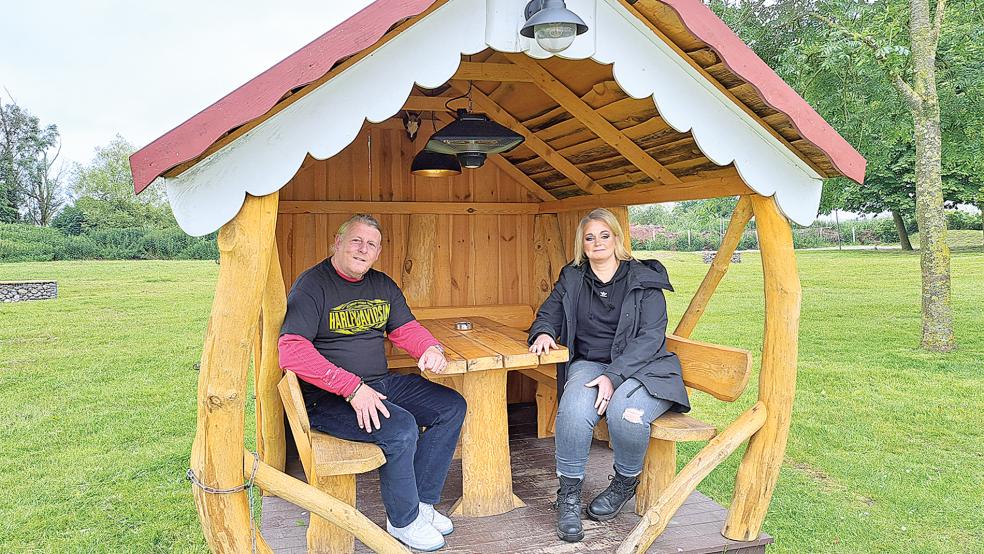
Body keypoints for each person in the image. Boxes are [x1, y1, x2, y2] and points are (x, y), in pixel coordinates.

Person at [278, 214, 466, 552]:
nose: (363, 249)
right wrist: (351, 388)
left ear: (378, 252)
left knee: (450, 407)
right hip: (328, 397)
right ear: (337, 243)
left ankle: (422, 504)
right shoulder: (313, 285)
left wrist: (429, 347)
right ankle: (403, 521)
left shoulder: (382, 284)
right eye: (356, 241)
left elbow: (404, 328)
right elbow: (291, 350)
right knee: (401, 428)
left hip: (377, 383)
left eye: (372, 244)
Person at [528, 208, 690, 542]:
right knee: (573, 410)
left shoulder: (644, 280)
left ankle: (624, 482)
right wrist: (544, 332)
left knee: (625, 414)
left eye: (605, 235)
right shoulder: (573, 277)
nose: (597, 242)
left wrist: (613, 377)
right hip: (590, 363)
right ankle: (569, 495)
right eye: (590, 237)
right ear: (582, 244)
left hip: (643, 368)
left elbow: (650, 338)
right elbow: (549, 312)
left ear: (617, 238)